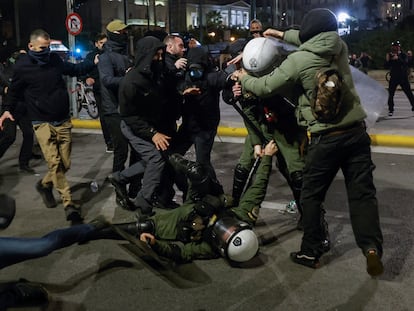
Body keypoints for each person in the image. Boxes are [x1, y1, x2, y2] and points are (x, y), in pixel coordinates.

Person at [233, 8, 384, 276]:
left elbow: (266, 86)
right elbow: (310, 38)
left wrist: (244, 78)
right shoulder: (339, 47)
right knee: (362, 194)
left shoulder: (299, 60)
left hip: (326, 137)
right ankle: (371, 248)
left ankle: (311, 250)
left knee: (311, 195)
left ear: (307, 31)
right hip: (357, 133)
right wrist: (280, 34)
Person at [0, 29, 97, 222]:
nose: (46, 52)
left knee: (65, 164)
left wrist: (90, 63)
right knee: (55, 163)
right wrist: (6, 109)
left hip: (62, 119)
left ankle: (45, 185)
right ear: (31, 46)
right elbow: (13, 91)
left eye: (48, 48)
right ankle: (69, 204)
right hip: (41, 121)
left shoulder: (54, 60)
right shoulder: (23, 67)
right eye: (42, 48)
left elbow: (73, 69)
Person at [110, 36, 179, 216]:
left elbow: (168, 92)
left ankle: (119, 178)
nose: (159, 58)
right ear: (145, 55)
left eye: (161, 54)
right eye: (155, 55)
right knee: (155, 159)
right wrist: (153, 133)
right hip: (134, 124)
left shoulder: (159, 72)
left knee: (155, 160)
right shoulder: (130, 82)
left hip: (153, 123)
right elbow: (129, 116)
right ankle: (144, 200)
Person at [173, 47, 230, 199]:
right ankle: (186, 189)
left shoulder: (212, 77)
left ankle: (217, 194)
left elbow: (226, 80)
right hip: (188, 125)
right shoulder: (185, 75)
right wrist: (184, 89)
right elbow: (176, 84)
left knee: (203, 163)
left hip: (205, 128)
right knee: (173, 157)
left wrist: (235, 78)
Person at [98, 19, 141, 208]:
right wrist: (128, 77)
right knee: (121, 152)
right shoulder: (106, 57)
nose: (125, 35)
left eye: (126, 32)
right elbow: (107, 80)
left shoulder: (126, 54)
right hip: (113, 111)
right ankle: (119, 190)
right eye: (122, 32)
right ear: (114, 34)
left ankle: (134, 187)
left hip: (129, 109)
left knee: (138, 150)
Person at [0, 50, 41, 174]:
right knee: (9, 136)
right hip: (10, 109)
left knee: (28, 134)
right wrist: (3, 90)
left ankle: (24, 162)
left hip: (24, 108)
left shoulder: (28, 72)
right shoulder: (5, 71)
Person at [82, 33, 113, 153]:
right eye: (101, 43)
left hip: (111, 87)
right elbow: (84, 69)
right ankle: (109, 142)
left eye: (105, 43)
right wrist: (87, 78)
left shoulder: (111, 54)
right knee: (104, 116)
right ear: (96, 44)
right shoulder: (91, 56)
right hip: (99, 89)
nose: (103, 46)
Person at [384, 41, 414, 116]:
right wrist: (388, 60)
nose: (395, 48)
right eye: (393, 46)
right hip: (394, 77)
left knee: (409, 93)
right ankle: (391, 109)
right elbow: (386, 66)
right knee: (390, 94)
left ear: (399, 47)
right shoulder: (390, 55)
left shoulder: (403, 54)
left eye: (396, 46)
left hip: (403, 77)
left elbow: (406, 63)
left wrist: (398, 58)